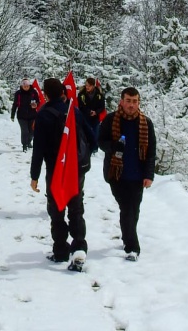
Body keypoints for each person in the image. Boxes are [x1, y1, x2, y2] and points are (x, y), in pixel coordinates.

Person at [29, 77, 95, 269]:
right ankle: (79, 246)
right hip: (75, 168)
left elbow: (38, 149)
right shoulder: (74, 111)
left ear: (46, 94)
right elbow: (92, 138)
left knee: (57, 209)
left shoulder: (43, 115)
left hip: (55, 169)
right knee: (76, 208)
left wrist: (34, 176)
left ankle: (60, 250)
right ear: (63, 93)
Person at [98, 86, 156, 261]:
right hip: (116, 174)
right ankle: (132, 247)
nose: (131, 105)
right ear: (121, 101)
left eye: (135, 101)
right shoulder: (111, 120)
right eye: (128, 101)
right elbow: (100, 142)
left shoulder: (146, 123)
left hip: (137, 175)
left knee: (134, 210)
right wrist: (113, 146)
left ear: (139, 103)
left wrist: (149, 175)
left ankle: (127, 237)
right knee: (127, 209)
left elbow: (151, 151)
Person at [11, 77, 39, 151]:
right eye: (24, 86)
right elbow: (15, 104)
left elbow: (38, 101)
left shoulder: (34, 92)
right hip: (21, 116)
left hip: (32, 115)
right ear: (22, 86)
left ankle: (29, 142)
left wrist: (36, 104)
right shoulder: (18, 93)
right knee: (25, 131)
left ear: (29, 86)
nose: (26, 87)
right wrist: (12, 115)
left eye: (27, 86)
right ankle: (24, 145)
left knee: (32, 132)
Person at [77, 76, 106, 150]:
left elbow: (102, 107)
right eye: (86, 85)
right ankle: (85, 147)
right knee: (85, 132)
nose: (87, 87)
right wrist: (88, 111)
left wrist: (96, 112)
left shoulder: (99, 95)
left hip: (95, 118)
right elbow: (81, 106)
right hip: (85, 117)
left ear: (93, 86)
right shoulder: (82, 94)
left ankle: (95, 148)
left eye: (89, 86)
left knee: (95, 133)